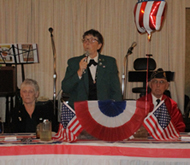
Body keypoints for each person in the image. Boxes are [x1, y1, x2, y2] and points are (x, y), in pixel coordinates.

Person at [62, 29, 122, 109]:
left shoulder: (109, 62)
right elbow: (65, 88)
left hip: (104, 109)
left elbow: (116, 90)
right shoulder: (74, 62)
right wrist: (79, 72)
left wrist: (116, 108)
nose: (87, 43)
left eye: (92, 40)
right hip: (80, 109)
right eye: (85, 40)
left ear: (99, 45)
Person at [138, 68, 185, 132]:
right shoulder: (140, 103)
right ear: (150, 85)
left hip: (166, 140)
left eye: (162, 82)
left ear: (166, 86)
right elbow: (133, 125)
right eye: (155, 82)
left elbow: (180, 127)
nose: (158, 85)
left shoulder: (172, 105)